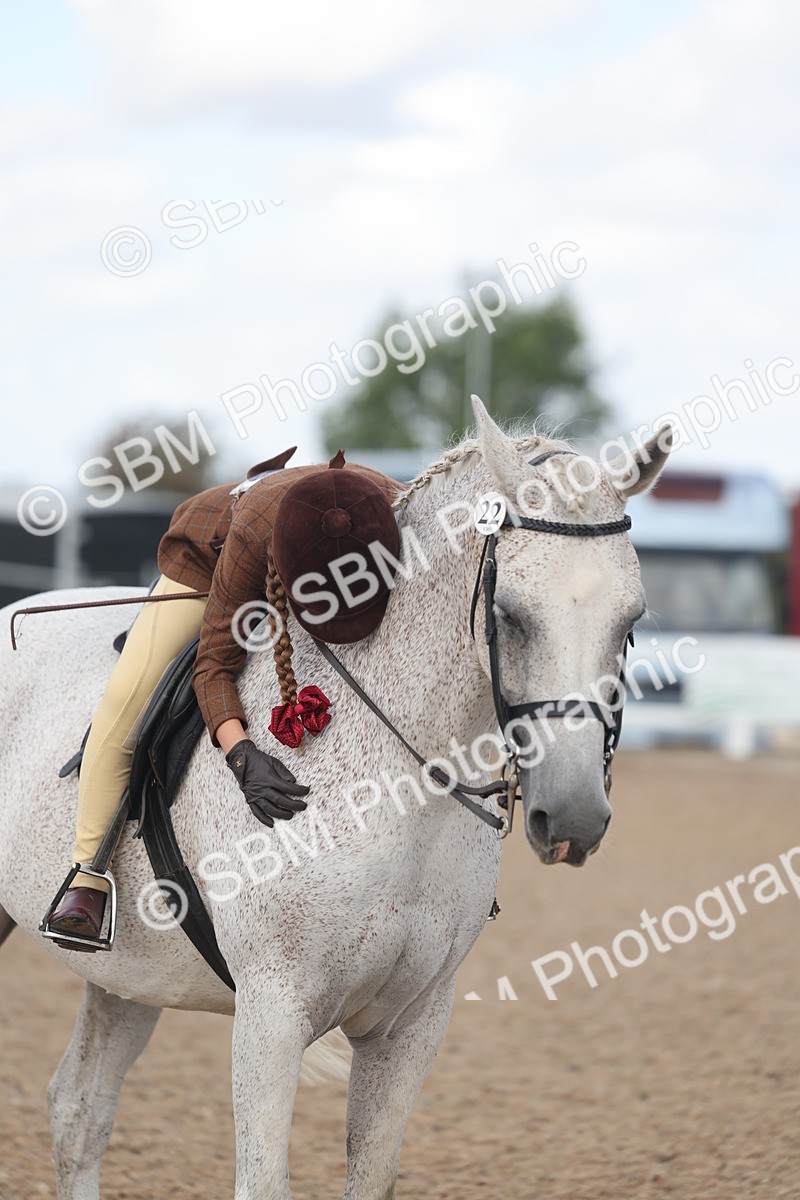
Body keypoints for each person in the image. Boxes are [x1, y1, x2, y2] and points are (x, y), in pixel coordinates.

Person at [46, 448, 399, 943]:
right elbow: (212, 666)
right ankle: (86, 878)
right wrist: (242, 756)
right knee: (127, 698)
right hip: (211, 554)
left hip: (307, 535)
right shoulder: (256, 533)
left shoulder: (392, 507)